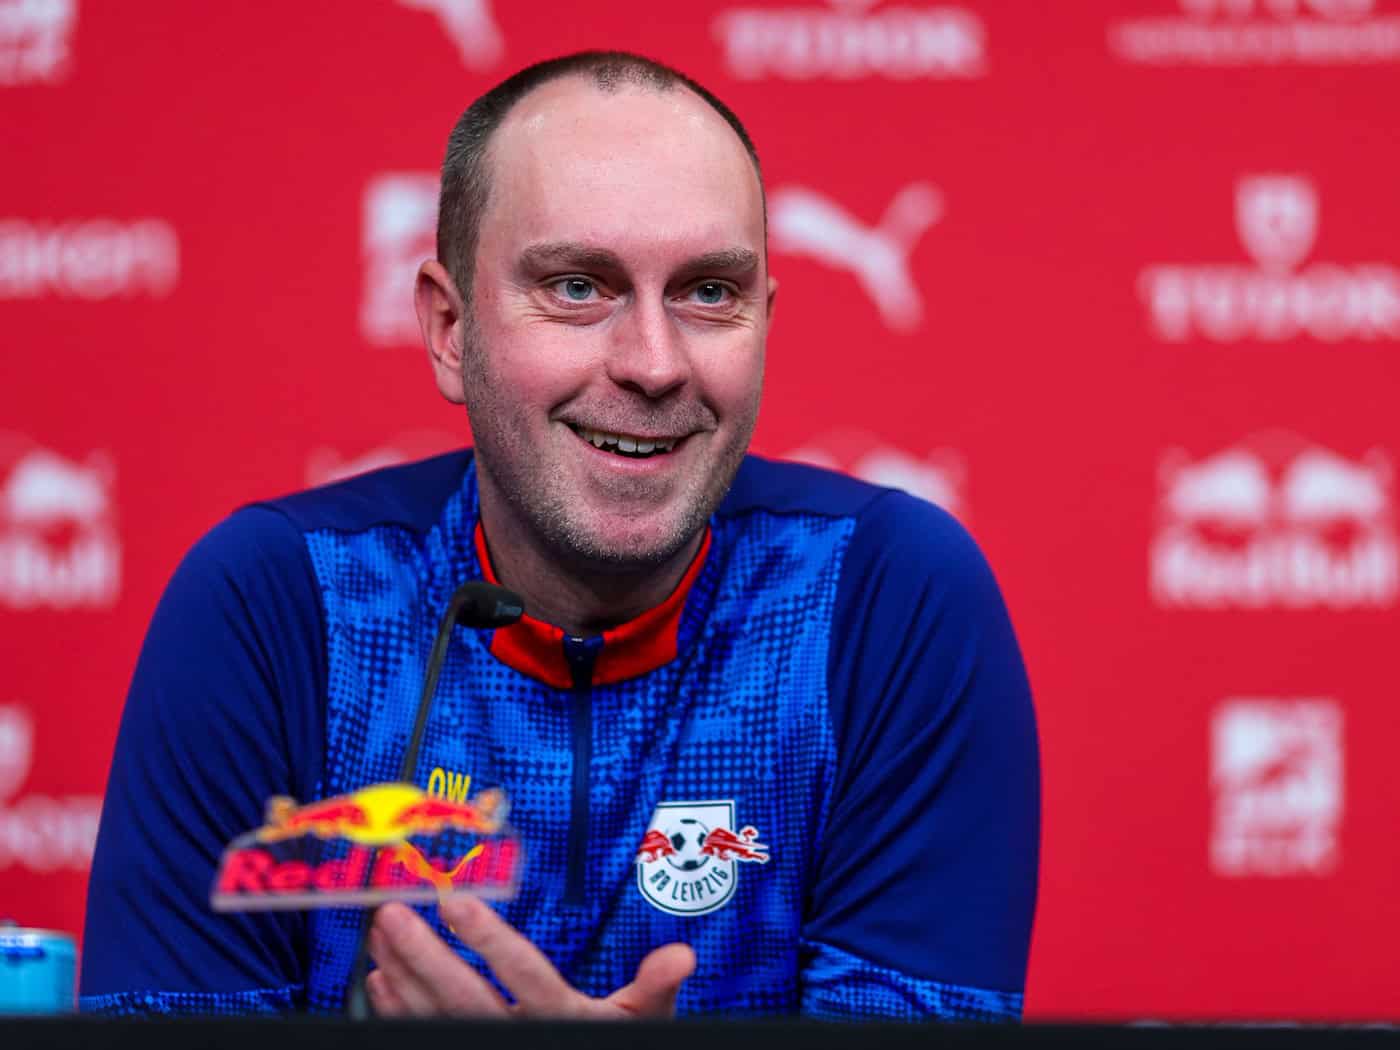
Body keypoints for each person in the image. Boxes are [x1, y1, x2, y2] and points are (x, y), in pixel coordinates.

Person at [79, 51, 1039, 1020]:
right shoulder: (281, 604)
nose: (653, 364)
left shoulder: (881, 598)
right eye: (578, 287)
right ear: (449, 329)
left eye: (709, 292)